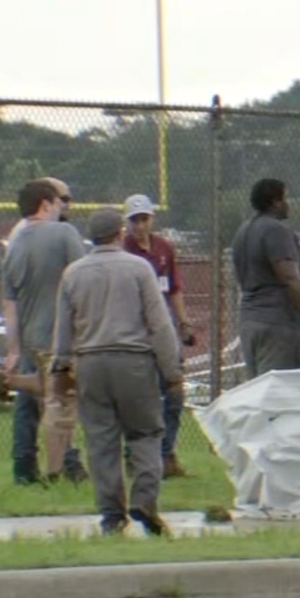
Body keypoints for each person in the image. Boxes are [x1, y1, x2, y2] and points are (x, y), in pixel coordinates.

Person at [51, 209, 184, 536]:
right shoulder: (139, 268)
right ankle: (144, 500)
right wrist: (172, 371)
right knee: (146, 433)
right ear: (119, 233)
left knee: (101, 440)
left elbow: (63, 329)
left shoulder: (73, 274)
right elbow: (160, 325)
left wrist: (60, 367)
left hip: (91, 363)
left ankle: (111, 514)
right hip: (134, 362)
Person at [0, 178, 87, 486]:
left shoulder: (14, 243)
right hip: (60, 336)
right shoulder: (64, 233)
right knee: (61, 402)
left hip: (29, 339)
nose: (65, 207)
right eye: (61, 200)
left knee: (33, 399)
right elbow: (83, 278)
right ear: (47, 203)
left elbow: (9, 302)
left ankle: (24, 467)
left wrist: (13, 348)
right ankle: (61, 468)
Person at [122, 193, 199, 479]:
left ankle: (167, 455)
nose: (140, 225)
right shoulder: (123, 251)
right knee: (141, 397)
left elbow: (174, 288)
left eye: (144, 219)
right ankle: (134, 456)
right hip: (136, 330)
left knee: (174, 392)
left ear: (152, 218)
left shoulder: (164, 248)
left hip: (164, 329)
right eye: (134, 220)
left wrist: (184, 322)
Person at [230, 178, 300, 380]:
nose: (289, 204)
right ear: (275, 201)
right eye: (286, 198)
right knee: (281, 393)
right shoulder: (275, 230)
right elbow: (290, 278)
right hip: (278, 324)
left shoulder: (243, 230)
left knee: (260, 389)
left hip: (250, 320)